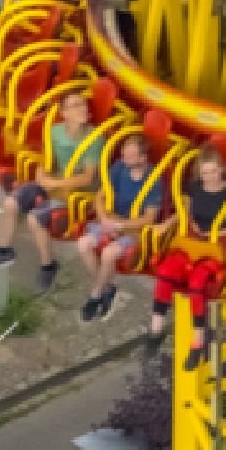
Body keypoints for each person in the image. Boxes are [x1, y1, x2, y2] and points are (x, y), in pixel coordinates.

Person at [0, 88, 102, 291]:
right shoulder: (55, 132)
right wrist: (41, 175)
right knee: (11, 203)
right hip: (57, 182)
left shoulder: (94, 138)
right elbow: (48, 161)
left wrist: (54, 184)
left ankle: (48, 266)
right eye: (75, 105)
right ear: (64, 113)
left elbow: (88, 177)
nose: (82, 109)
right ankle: (4, 251)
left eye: (83, 104)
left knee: (35, 218)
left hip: (79, 192)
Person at [148, 145, 226, 371]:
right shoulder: (194, 188)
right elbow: (183, 213)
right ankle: (156, 328)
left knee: (197, 281)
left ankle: (198, 339)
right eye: (204, 173)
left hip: (216, 246)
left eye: (213, 172)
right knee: (166, 271)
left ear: (221, 170)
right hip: (193, 240)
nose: (209, 177)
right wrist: (166, 224)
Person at [77, 132, 164, 323]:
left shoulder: (154, 178)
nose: (124, 159)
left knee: (109, 253)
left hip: (134, 228)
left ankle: (95, 295)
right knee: (83, 243)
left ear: (143, 158)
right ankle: (107, 288)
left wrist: (119, 225)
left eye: (130, 156)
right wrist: (104, 219)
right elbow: (100, 196)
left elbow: (149, 218)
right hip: (112, 220)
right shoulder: (119, 168)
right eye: (124, 154)